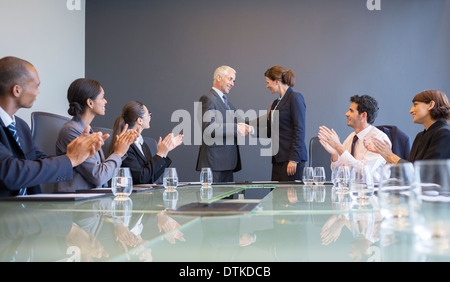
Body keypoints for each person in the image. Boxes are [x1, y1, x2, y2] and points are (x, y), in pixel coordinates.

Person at [0, 56, 107, 196]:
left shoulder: (21, 126)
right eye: (36, 86)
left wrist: (75, 153)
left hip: (29, 208)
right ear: (17, 90)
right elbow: (11, 173)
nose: (38, 91)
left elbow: (39, 159)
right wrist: (70, 159)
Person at [54, 78, 138, 192]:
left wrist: (120, 149)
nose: (105, 101)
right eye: (102, 97)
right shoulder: (71, 131)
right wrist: (118, 153)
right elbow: (99, 177)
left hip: (92, 202)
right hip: (77, 205)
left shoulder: (87, 130)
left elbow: (103, 173)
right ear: (90, 102)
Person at [318, 94, 391, 182]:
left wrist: (339, 147)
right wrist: (335, 155)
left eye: (351, 111)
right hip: (351, 191)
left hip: (373, 192)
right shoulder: (351, 138)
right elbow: (339, 175)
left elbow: (364, 174)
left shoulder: (379, 139)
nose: (346, 114)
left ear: (363, 115)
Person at [196, 65, 249, 183]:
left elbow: (240, 122)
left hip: (227, 164)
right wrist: (236, 128)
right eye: (230, 79)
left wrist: (267, 118)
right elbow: (209, 128)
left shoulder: (227, 103)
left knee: (228, 202)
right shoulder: (207, 98)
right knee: (214, 201)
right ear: (219, 77)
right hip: (214, 165)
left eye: (233, 80)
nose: (232, 83)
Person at [365, 90, 450, 163]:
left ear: (431, 105)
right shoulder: (420, 136)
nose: (411, 111)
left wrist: (390, 155)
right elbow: (410, 172)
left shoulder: (445, 134)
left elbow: (426, 174)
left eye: (415, 104)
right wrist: (385, 155)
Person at [110, 101, 183, 184]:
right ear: (140, 120)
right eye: (148, 114)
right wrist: (160, 154)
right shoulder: (124, 145)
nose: (150, 117)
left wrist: (164, 152)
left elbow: (151, 177)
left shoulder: (142, 144)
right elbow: (141, 178)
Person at [264, 66, 307, 181]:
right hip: (278, 160)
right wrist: (249, 128)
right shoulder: (275, 104)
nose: (267, 86)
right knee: (276, 197)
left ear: (277, 82)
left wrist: (294, 159)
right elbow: (270, 131)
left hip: (291, 160)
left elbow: (299, 129)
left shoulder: (295, 98)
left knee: (289, 197)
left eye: (268, 82)